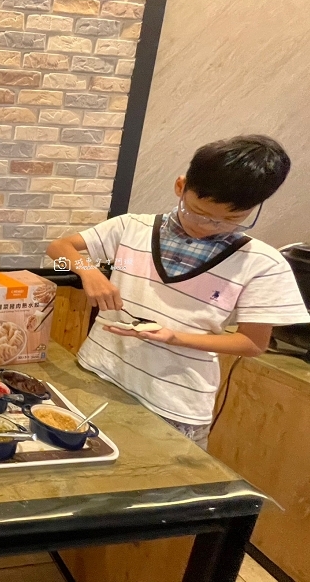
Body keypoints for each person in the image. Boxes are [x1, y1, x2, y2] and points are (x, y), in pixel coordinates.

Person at [46, 135, 309, 449]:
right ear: (181, 186)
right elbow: (59, 248)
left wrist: (175, 337)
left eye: (231, 219)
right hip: (99, 375)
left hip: (175, 404)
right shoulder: (133, 228)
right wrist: (88, 271)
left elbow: (252, 343)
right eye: (198, 212)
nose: (208, 226)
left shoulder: (262, 263)